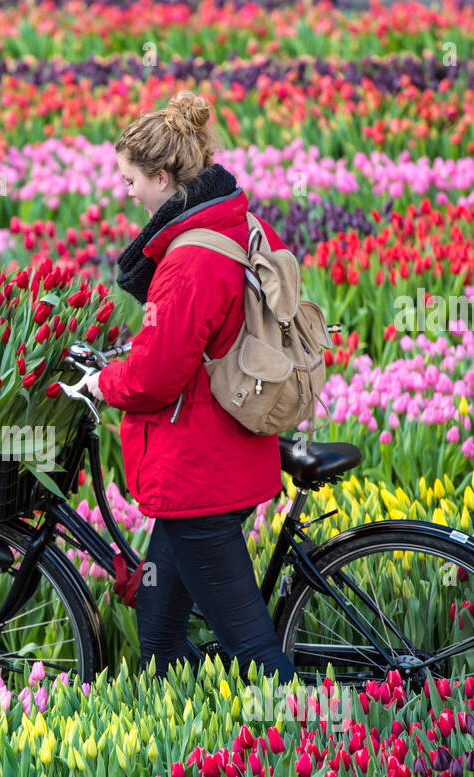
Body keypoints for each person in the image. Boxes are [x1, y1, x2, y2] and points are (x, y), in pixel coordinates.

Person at [82, 89, 298, 686]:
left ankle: (325, 747)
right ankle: (183, 730)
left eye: (130, 181)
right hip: (223, 451)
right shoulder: (237, 221)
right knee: (157, 620)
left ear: (161, 176)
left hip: (198, 471)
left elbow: (156, 376)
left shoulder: (189, 259)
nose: (125, 192)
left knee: (253, 647)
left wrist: (104, 381)